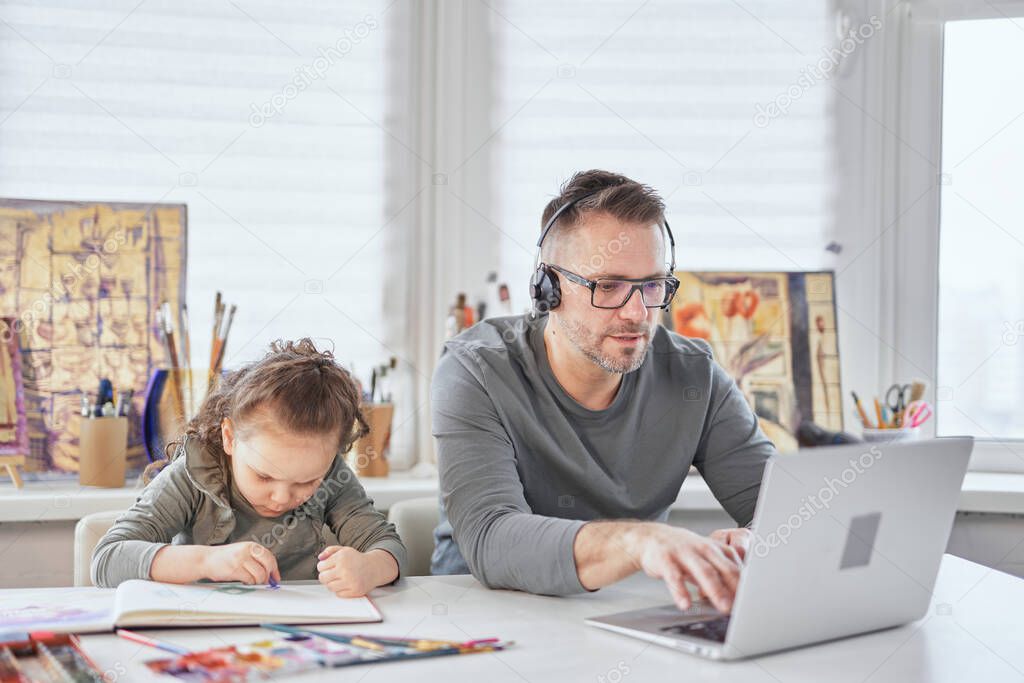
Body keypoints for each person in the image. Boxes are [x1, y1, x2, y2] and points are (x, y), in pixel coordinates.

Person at [431, 170, 777, 614]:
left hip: (627, 615)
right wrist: (637, 539)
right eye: (608, 286)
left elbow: (790, 511)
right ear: (548, 288)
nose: (637, 313)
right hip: (482, 618)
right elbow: (491, 538)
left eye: (652, 285)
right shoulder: (474, 371)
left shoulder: (696, 377)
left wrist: (759, 539)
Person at [92, 338, 406, 598]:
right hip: (200, 631)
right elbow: (107, 559)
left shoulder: (332, 475)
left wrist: (370, 568)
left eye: (307, 481)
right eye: (264, 475)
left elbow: (389, 546)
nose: (282, 497)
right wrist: (207, 560)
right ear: (230, 438)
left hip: (296, 633)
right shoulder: (196, 472)